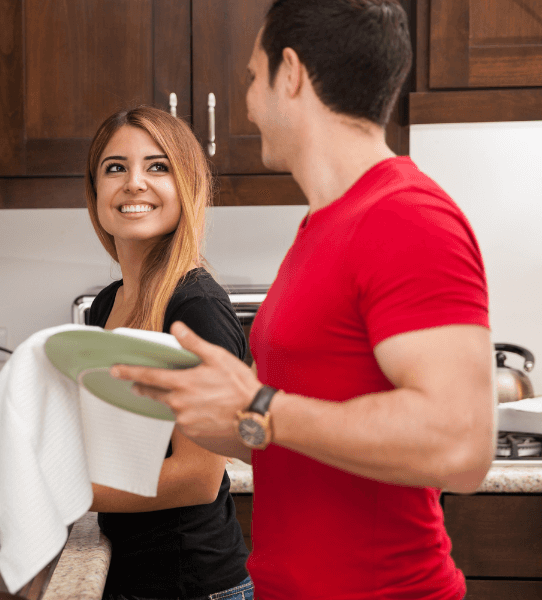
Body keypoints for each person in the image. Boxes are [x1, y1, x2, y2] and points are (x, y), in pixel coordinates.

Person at [109, 2, 496, 599]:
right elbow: (291, 437)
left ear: (288, 75)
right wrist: (202, 407)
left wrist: (260, 405)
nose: (247, 104)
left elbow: (462, 444)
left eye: (250, 78)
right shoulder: (322, 227)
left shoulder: (407, 217)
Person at [83, 105, 254, 600]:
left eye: (157, 167)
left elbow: (198, 478)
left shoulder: (194, 305)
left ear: (187, 186)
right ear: (95, 192)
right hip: (130, 574)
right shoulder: (107, 303)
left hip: (193, 585)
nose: (134, 182)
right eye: (115, 167)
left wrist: (59, 494)